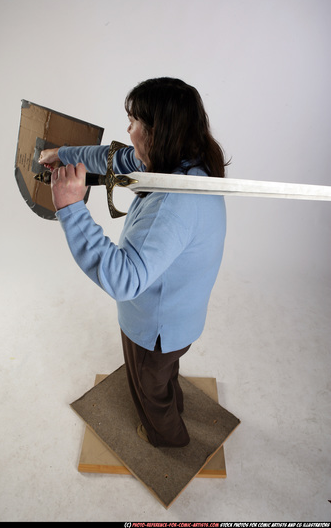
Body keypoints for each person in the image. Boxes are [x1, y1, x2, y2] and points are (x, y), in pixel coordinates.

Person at [39, 77, 228, 448]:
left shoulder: (177, 203)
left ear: (157, 131)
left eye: (134, 122)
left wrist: (71, 207)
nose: (128, 129)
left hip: (153, 327)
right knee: (164, 374)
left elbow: (125, 279)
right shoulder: (182, 164)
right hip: (177, 319)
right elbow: (117, 158)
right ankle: (173, 401)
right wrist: (66, 155)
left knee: (149, 388)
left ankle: (166, 437)